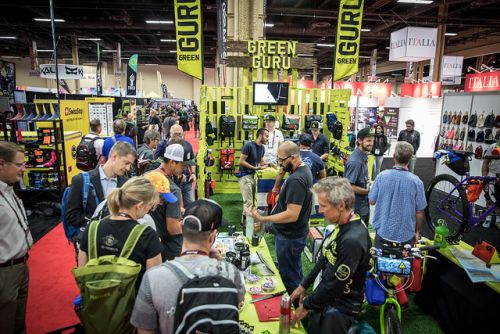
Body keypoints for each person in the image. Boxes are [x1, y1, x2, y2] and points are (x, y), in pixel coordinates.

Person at [131, 198, 245, 334]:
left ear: (181, 227)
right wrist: (220, 260)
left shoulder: (153, 277)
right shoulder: (229, 272)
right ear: (212, 237)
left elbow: (145, 330)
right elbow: (238, 301)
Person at [290, 177, 371, 334]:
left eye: (323, 206)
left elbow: (335, 284)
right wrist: (304, 284)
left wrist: (306, 305)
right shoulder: (342, 225)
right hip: (328, 299)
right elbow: (325, 256)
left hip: (341, 308)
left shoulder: (352, 240)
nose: (319, 211)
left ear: (341, 206)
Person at [247, 141, 313, 295]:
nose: (280, 164)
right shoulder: (302, 172)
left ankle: (295, 308)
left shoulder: (296, 180)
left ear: (294, 157)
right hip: (294, 234)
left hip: (290, 236)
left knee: (289, 276)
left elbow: (292, 214)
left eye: (282, 160)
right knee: (294, 270)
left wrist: (263, 220)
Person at [78, 177, 163, 290]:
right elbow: (154, 283)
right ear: (140, 206)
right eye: (150, 206)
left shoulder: (93, 227)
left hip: (95, 301)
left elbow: (82, 272)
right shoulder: (147, 235)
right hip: (133, 303)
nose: (150, 210)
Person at [65, 142, 136, 248]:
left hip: (118, 244)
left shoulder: (126, 184)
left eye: (130, 164)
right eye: (126, 163)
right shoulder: (80, 180)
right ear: (114, 156)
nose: (128, 168)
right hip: (89, 243)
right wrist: (101, 221)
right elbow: (71, 216)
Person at [0, 142, 33, 333]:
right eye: (19, 165)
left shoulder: (9, 188)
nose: (23, 169)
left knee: (18, 322)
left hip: (21, 266)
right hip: (5, 271)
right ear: (2, 163)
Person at [369, 142, 427, 246]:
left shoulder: (381, 176)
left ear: (394, 157)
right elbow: (419, 212)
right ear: (410, 159)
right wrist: (417, 232)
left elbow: (371, 201)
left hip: (383, 232)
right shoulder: (417, 182)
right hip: (406, 236)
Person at [148, 142, 195, 260]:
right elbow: (173, 228)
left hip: (151, 243)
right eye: (183, 165)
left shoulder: (147, 177)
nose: (185, 169)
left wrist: (177, 210)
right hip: (170, 246)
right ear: (172, 162)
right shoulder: (173, 190)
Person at [154, 125, 196, 206]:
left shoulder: (187, 145)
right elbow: (156, 160)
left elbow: (192, 159)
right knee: (173, 204)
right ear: (170, 133)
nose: (178, 136)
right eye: (175, 134)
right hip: (170, 180)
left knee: (190, 204)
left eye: (180, 134)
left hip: (186, 180)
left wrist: (193, 173)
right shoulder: (163, 145)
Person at [344, 127, 374, 224]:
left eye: (373, 140)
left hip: (362, 205)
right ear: (359, 141)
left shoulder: (363, 156)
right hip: (357, 209)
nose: (371, 143)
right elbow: (349, 186)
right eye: (368, 140)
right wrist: (369, 191)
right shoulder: (355, 161)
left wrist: (368, 182)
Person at [238, 128, 269, 212]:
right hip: (244, 176)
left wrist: (268, 164)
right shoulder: (248, 146)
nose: (267, 138)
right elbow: (241, 161)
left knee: (252, 202)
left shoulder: (262, 148)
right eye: (266, 136)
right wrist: (255, 168)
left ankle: (245, 221)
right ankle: (247, 224)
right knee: (249, 203)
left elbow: (260, 161)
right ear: (260, 136)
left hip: (253, 176)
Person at [481, 141, 500, 229]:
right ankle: (488, 218)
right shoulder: (493, 146)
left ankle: (498, 219)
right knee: (489, 197)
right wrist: (484, 176)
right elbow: (486, 161)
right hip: (492, 175)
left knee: (499, 199)